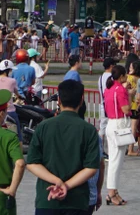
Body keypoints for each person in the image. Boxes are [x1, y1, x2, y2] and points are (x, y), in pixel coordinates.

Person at [25, 79, 101, 214]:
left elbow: (32, 163)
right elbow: (91, 168)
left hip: (47, 199)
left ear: (58, 100)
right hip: (77, 201)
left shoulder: (43, 127)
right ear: (81, 100)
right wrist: (66, 185)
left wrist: (56, 181)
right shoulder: (89, 130)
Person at [102, 65, 131, 206]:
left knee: (115, 160)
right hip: (119, 123)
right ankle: (111, 193)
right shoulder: (120, 90)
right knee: (116, 161)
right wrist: (129, 96)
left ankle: (114, 191)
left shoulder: (109, 88)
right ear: (121, 77)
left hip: (111, 123)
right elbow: (126, 109)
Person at [0, 60, 22, 141]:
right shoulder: (12, 81)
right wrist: (20, 97)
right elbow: (17, 93)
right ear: (9, 70)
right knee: (17, 135)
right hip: (9, 110)